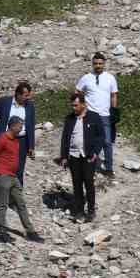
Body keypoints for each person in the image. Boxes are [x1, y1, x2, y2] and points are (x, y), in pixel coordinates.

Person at [0, 115, 43, 242]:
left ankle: (30, 232)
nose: (21, 129)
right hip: (3, 175)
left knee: (21, 203)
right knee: (3, 204)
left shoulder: (16, 141)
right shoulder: (3, 139)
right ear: (13, 126)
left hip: (13, 176)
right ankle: (1, 230)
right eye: (20, 127)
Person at [55, 92, 105, 223]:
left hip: (88, 156)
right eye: (72, 105)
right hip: (74, 155)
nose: (74, 108)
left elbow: (101, 137)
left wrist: (95, 153)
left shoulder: (94, 117)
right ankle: (79, 211)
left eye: (76, 105)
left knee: (88, 182)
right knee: (76, 183)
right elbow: (65, 138)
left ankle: (91, 209)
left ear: (83, 104)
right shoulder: (69, 119)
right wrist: (64, 156)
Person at [75, 52, 119, 179]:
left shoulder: (110, 78)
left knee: (107, 142)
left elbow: (114, 95)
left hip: (105, 114)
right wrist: (80, 108)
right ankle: (89, 167)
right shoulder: (86, 78)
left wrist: (114, 111)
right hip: (90, 114)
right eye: (95, 63)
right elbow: (78, 92)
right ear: (92, 64)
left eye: (100, 63)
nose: (98, 66)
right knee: (89, 141)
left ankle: (109, 168)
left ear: (104, 64)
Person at [0, 81, 36, 184]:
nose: (27, 98)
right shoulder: (5, 102)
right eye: (25, 95)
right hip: (5, 139)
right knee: (3, 165)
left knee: (19, 167)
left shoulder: (30, 106)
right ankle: (3, 190)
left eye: (29, 95)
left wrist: (31, 146)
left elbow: (31, 126)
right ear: (18, 94)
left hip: (21, 141)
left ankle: (17, 194)